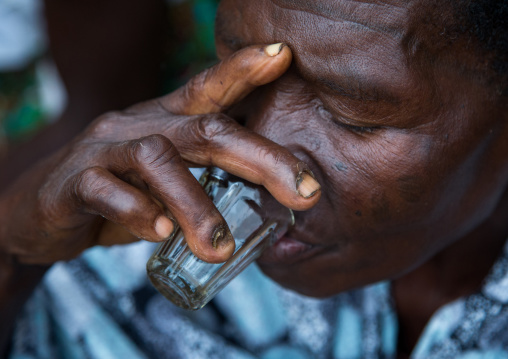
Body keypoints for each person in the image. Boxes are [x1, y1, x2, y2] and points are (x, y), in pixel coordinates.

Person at [1, 0, 507, 358]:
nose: (251, 161)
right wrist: (12, 258)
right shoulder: (146, 227)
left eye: (354, 118)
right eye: (242, 77)